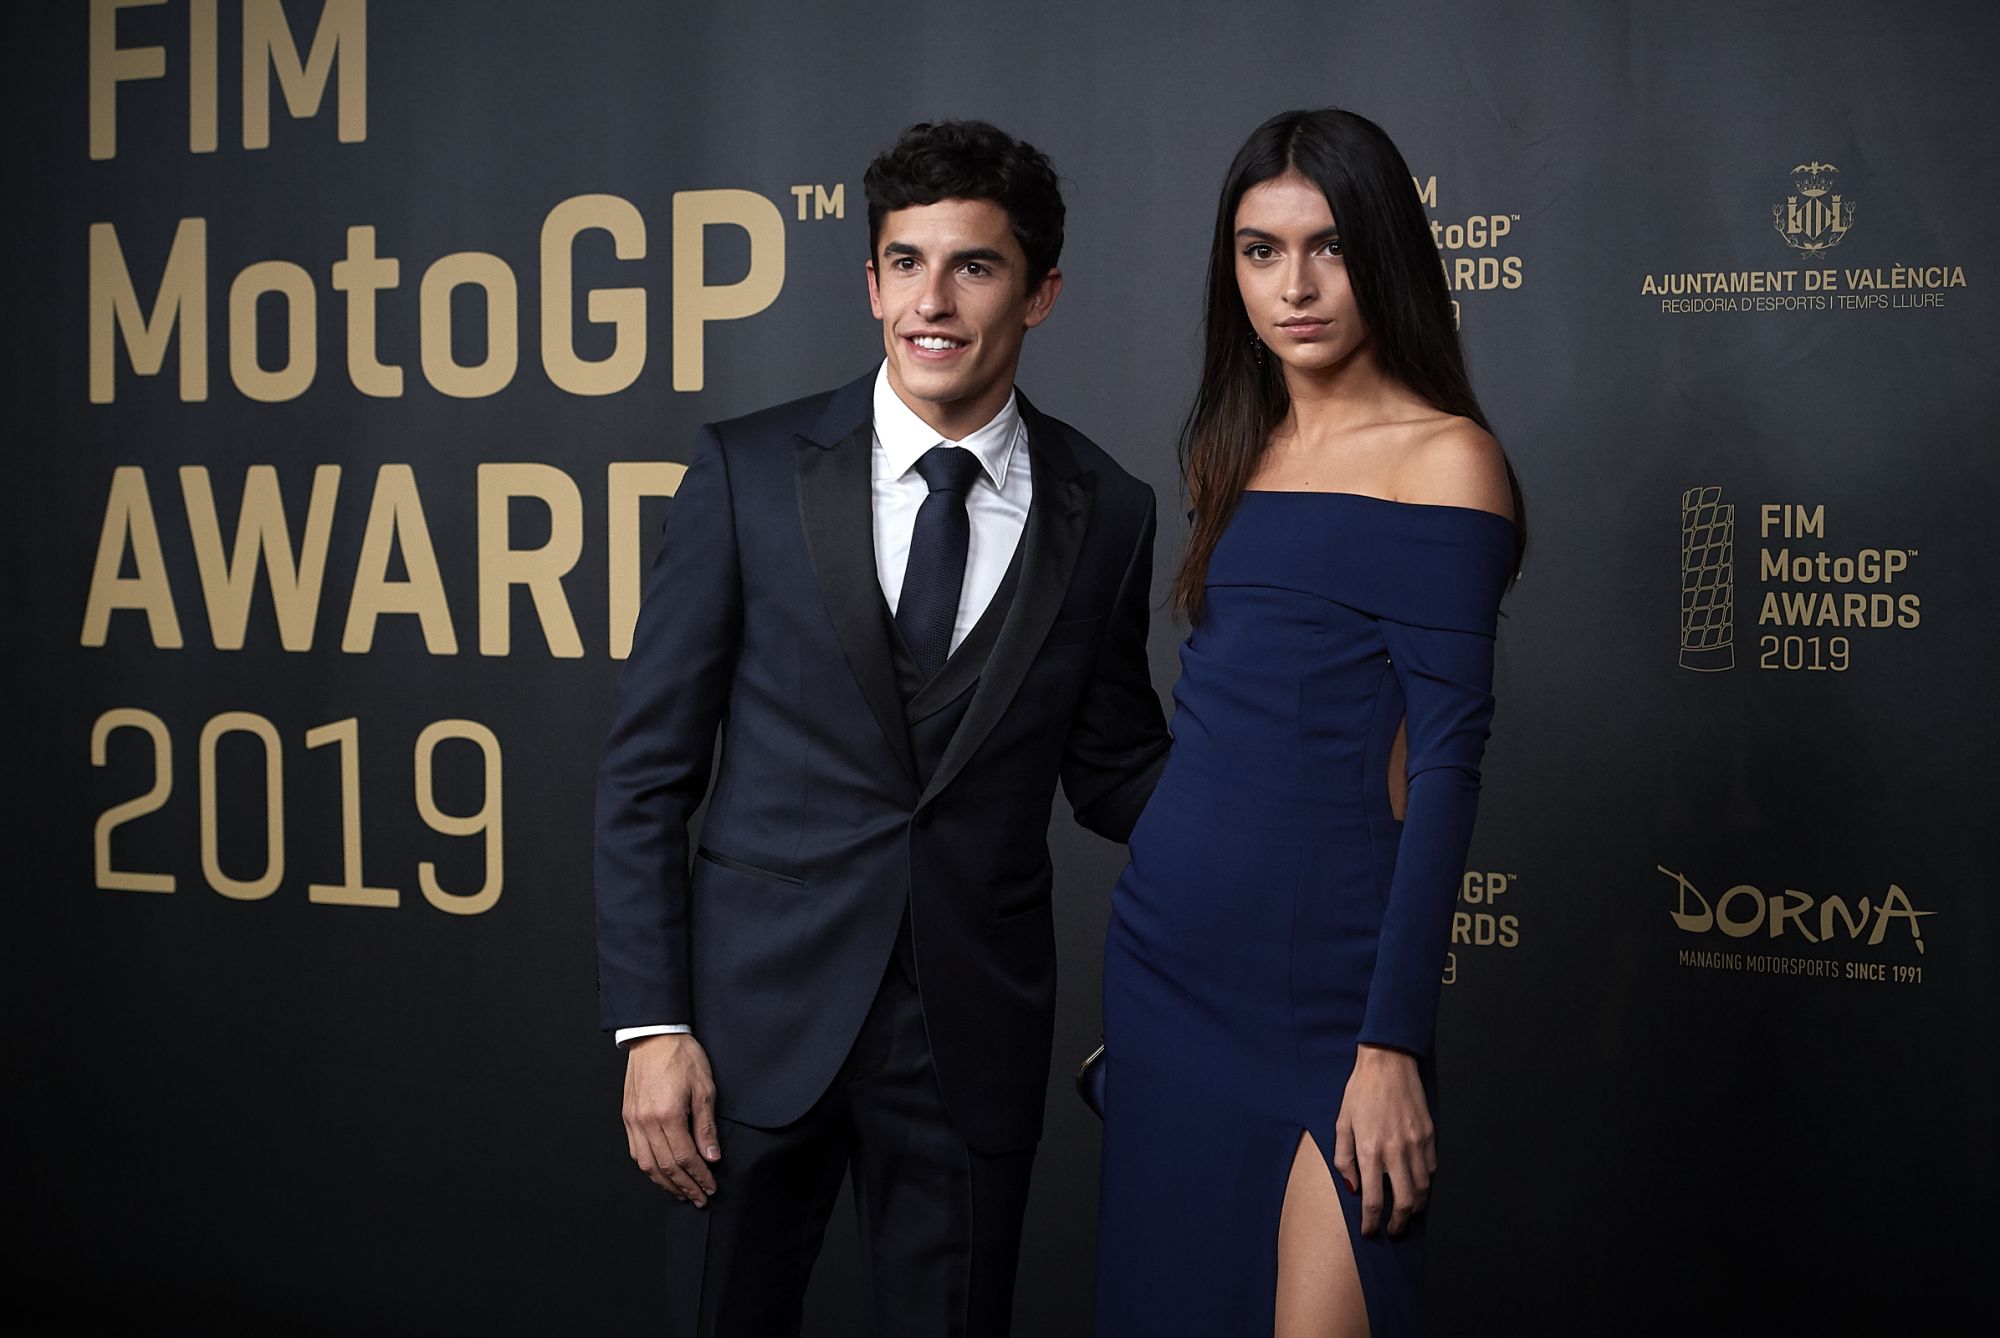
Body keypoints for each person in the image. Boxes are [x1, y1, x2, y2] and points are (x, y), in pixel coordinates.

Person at [595, 119, 1170, 1337]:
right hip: (747, 1035)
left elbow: (1116, 766)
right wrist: (654, 1027)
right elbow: (646, 771)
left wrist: (1295, 795)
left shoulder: (1109, 511)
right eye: (905, 263)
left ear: (1041, 293)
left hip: (969, 1040)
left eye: (974, 266)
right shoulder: (749, 471)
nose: (932, 302)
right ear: (870, 283)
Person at [1094, 108, 1525, 1338]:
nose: (1293, 286)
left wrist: (1389, 1044)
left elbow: (1443, 768)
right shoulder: (1233, 450)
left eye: (1327, 246)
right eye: (1259, 251)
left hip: (1330, 980)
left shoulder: (1445, 461)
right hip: (1167, 958)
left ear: (1383, 253)